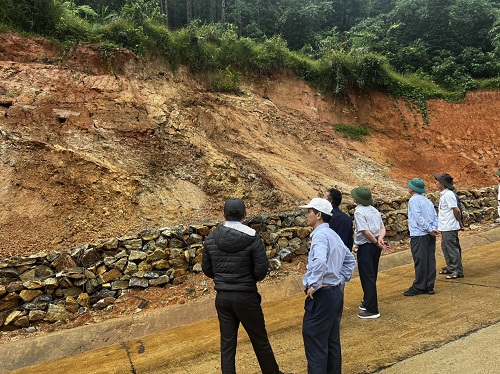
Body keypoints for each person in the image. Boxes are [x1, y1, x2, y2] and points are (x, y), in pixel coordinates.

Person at [202, 198, 283, 374]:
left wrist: (223, 278)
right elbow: (261, 271)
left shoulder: (211, 239)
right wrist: (246, 279)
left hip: (223, 297)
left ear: (224, 215)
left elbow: (207, 269)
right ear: (244, 215)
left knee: (227, 345)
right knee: (259, 341)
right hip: (246, 296)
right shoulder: (253, 238)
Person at [299, 198, 356, 374]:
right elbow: (350, 260)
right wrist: (340, 280)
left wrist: (313, 285)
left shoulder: (320, 236)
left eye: (309, 211)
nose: (306, 215)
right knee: (331, 341)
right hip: (334, 293)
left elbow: (320, 261)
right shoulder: (332, 234)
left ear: (318, 215)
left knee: (315, 342)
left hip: (323, 295)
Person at [351, 186, 390, 319]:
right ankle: (367, 301)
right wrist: (380, 239)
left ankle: (372, 309)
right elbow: (382, 227)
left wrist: (374, 241)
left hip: (367, 245)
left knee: (367, 276)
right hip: (375, 245)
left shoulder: (359, 212)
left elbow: (365, 231)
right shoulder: (374, 210)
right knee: (372, 273)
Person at [403, 178, 440, 296]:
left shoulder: (413, 201)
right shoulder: (427, 200)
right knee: (430, 259)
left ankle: (419, 285)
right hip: (429, 233)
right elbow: (435, 216)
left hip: (419, 234)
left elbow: (418, 218)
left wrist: (428, 229)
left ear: (413, 189)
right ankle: (429, 285)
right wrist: (433, 228)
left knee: (420, 260)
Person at [434, 173, 464, 279]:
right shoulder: (444, 195)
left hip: (449, 226)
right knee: (445, 247)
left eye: (437, 181)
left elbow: (456, 210)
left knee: (452, 248)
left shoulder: (448, 195)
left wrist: (458, 221)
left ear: (443, 183)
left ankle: (457, 270)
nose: (436, 183)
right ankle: (451, 267)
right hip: (445, 226)